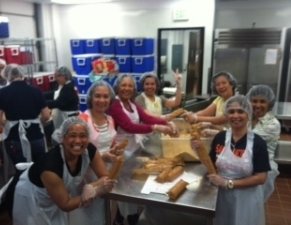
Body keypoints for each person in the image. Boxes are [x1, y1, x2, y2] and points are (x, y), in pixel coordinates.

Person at [11, 117, 117, 225]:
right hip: (32, 198)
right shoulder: (51, 168)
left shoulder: (89, 150)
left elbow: (105, 176)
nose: (78, 141)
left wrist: (91, 186)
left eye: (83, 136)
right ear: (62, 138)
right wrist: (95, 191)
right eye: (72, 135)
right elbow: (65, 205)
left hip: (55, 197)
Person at [107, 74, 179, 225]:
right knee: (124, 191)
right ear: (117, 87)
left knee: (132, 188)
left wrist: (166, 121)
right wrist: (156, 127)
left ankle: (128, 218)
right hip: (121, 153)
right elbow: (129, 126)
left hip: (135, 150)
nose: (127, 88)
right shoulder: (115, 104)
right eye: (124, 85)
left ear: (134, 89)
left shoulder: (132, 104)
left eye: (130, 86)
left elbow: (147, 118)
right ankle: (121, 219)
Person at [191, 95, 270, 225]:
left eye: (240, 111)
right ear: (226, 116)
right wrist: (198, 151)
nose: (235, 115)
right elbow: (211, 165)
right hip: (222, 197)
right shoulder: (220, 137)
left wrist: (228, 183)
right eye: (231, 112)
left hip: (246, 198)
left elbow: (261, 178)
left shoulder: (258, 143)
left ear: (248, 114)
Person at [70, 80, 120, 225]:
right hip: (87, 175)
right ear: (91, 98)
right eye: (98, 96)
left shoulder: (110, 120)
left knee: (107, 211)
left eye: (106, 96)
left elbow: (110, 142)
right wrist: (101, 156)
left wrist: (115, 150)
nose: (102, 100)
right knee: (90, 214)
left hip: (107, 173)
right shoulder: (82, 120)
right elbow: (74, 152)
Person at [0, 64, 50, 165]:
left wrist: (8, 125)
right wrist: (35, 122)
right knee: (40, 168)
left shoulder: (3, 92)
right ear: (22, 74)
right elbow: (46, 116)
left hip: (14, 137)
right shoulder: (36, 90)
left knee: (21, 170)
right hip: (36, 135)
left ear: (7, 75)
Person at [246, 85, 281, 202]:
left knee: (253, 203)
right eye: (254, 101)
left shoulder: (272, 124)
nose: (257, 105)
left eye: (262, 101)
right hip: (246, 163)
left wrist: (215, 131)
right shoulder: (249, 118)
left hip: (261, 169)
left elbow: (246, 139)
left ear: (269, 103)